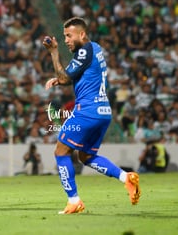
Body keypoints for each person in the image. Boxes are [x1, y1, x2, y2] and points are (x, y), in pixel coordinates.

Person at [42, 17, 141, 214]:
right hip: (104, 112)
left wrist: (54, 52)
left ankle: (74, 201)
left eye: (69, 36)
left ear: (82, 34)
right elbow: (72, 76)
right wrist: (60, 79)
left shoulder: (84, 50)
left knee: (60, 152)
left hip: (87, 112)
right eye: (64, 37)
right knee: (86, 156)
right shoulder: (94, 48)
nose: (66, 40)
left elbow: (65, 77)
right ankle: (126, 178)